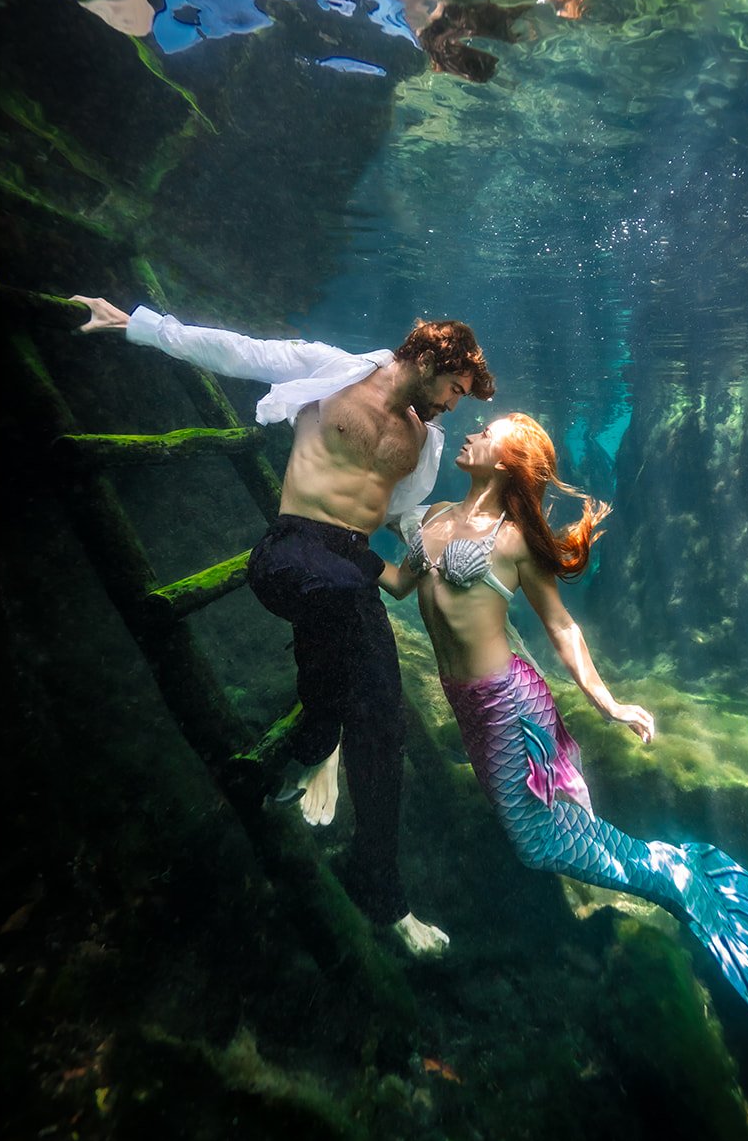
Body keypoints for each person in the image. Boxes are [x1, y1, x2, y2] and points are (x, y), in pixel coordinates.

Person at [376, 412, 748, 1127]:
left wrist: (608, 703)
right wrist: (332, 545)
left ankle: (680, 879)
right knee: (549, 838)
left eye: (484, 432)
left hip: (507, 705)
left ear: (508, 461)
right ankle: (675, 869)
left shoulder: (515, 541)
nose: (468, 435)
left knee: (539, 842)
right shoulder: (429, 518)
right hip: (472, 709)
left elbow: (559, 625)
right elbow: (398, 584)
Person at [70, 295, 495, 956]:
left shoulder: (425, 440)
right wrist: (138, 326)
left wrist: (432, 550)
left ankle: (380, 894)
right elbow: (242, 350)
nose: (452, 403)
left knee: (384, 722)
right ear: (430, 357)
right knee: (342, 600)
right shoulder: (336, 371)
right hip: (290, 550)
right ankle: (319, 741)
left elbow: (402, 521)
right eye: (454, 387)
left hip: (352, 566)